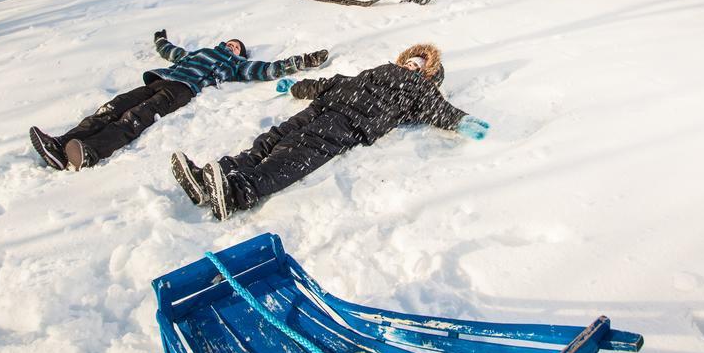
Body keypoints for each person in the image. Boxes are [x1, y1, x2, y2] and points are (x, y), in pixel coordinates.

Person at [171, 43, 489, 220]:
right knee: (271, 139)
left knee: (298, 152)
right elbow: (336, 82)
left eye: (419, 67)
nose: (411, 67)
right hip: (325, 105)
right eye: (410, 62)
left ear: (428, 75)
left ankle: (238, 192)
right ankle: (211, 179)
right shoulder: (378, 70)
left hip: (350, 121)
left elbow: (437, 109)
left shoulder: (421, 90)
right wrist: (296, 87)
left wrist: (460, 120)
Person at [30, 31, 329, 171]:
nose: (232, 46)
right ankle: (60, 143)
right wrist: (160, 39)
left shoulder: (235, 66)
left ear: (240, 54)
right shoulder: (197, 53)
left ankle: (90, 151)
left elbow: (268, 70)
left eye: (237, 47)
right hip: (161, 78)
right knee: (112, 108)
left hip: (181, 90)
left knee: (134, 118)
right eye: (230, 42)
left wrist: (302, 61)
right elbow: (170, 52)